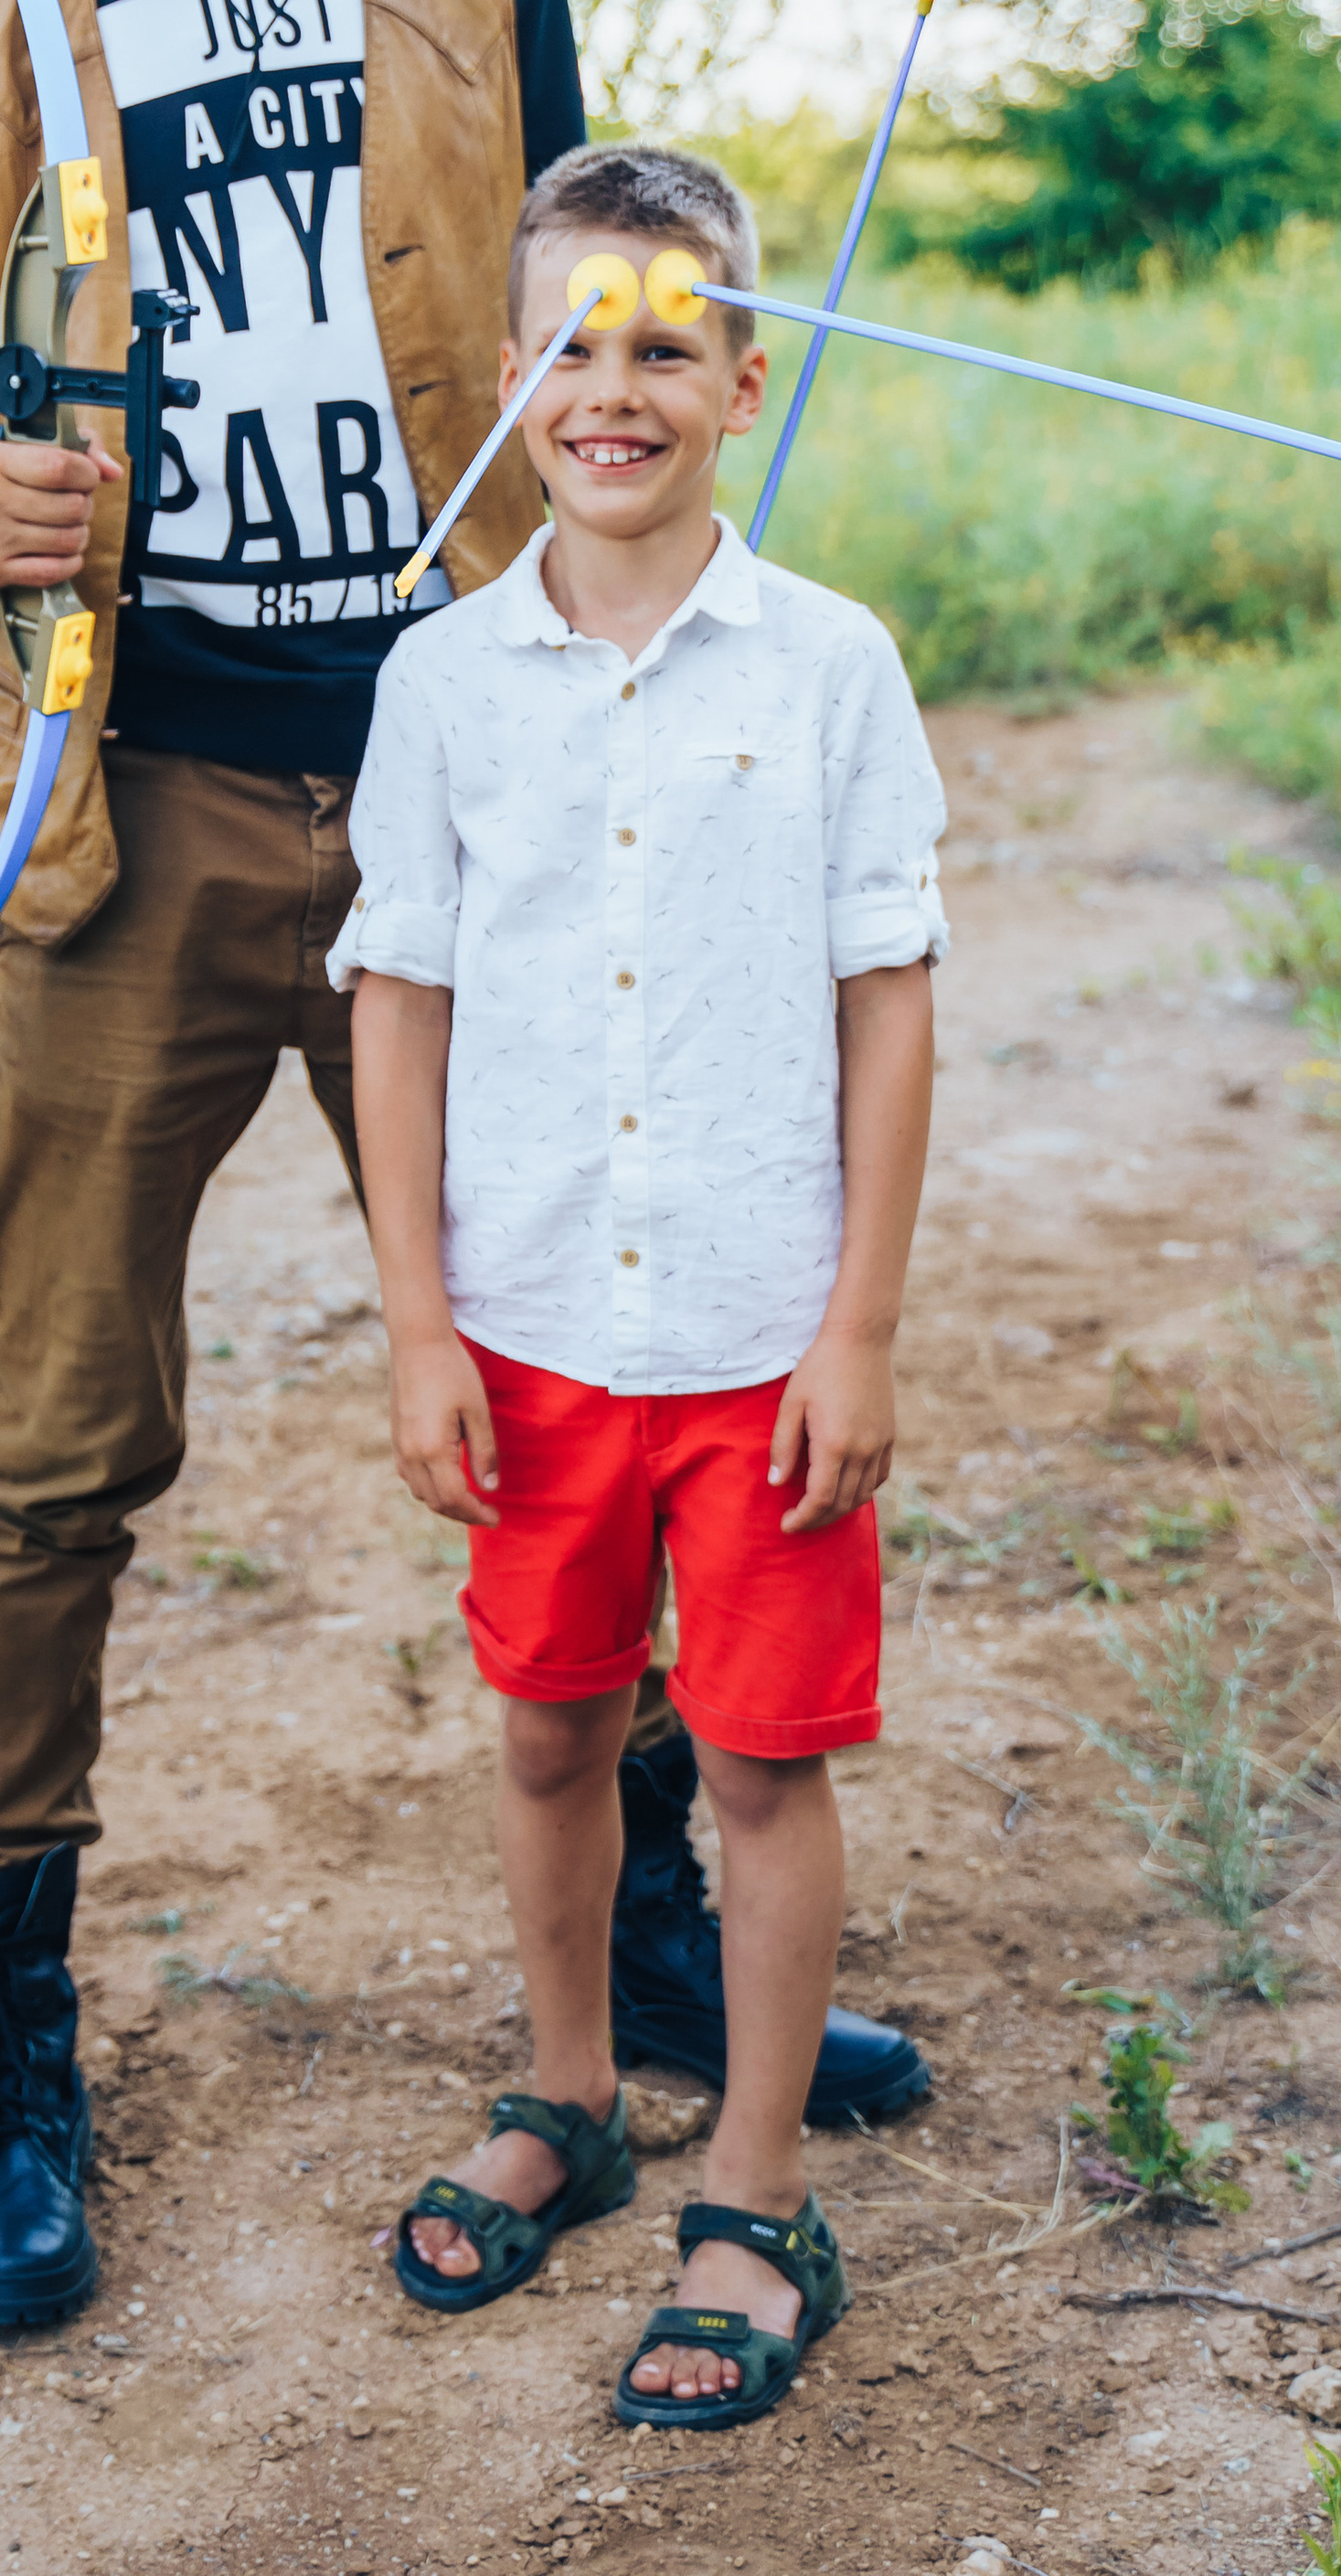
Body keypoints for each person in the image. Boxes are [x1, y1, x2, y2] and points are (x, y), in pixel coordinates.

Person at [0, 0, 921, 2340]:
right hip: (125, 809)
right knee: (56, 1450)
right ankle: (10, 2054)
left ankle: (664, 1934)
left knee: (603, 1346)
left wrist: (668, 369)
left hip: (461, 778)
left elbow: (586, 288)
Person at [332, 142, 947, 2428]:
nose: (617, 385)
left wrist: (857, 1325)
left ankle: (755, 2191)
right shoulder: (441, 683)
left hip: (754, 1334)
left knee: (765, 1764)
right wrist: (415, 1324)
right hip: (528, 1335)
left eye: (665, 344)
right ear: (509, 383)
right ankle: (576, 2098)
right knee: (547, 1728)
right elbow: (397, 996)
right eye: (575, 345)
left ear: (740, 379)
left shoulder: (826, 668)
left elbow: (885, 995)